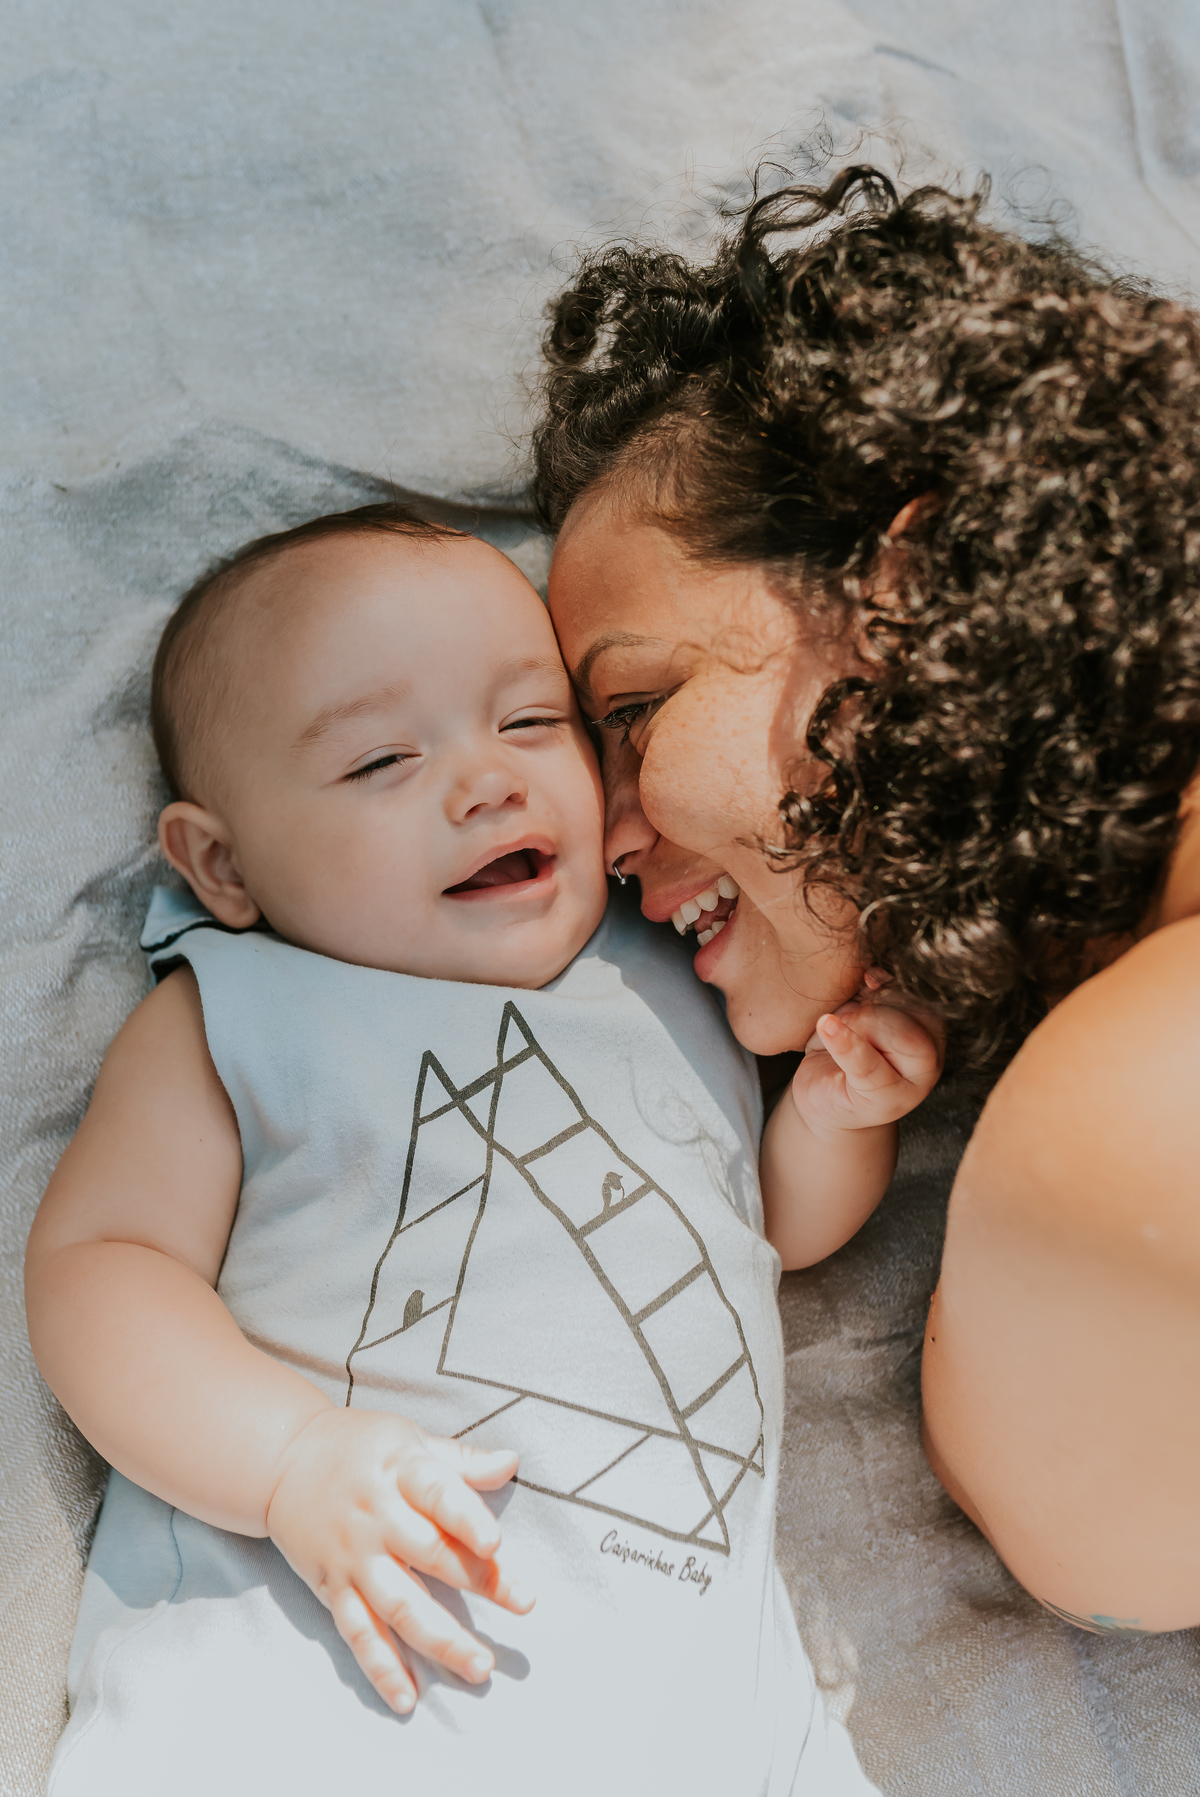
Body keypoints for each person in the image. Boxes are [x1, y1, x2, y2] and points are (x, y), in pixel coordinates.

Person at [25, 502, 935, 1794]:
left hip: (707, 1719)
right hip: (322, 1691)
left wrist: (837, 1118)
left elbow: (769, 1230)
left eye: (530, 721)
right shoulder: (242, 1008)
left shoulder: (673, 972)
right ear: (223, 863)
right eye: (381, 760)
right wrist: (288, 1460)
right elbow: (101, 1265)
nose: (487, 779)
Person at [532, 165, 1200, 1638]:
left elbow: (1066, 1520)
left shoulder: (1137, 1122)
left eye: (634, 710)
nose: (604, 834)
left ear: (914, 582)